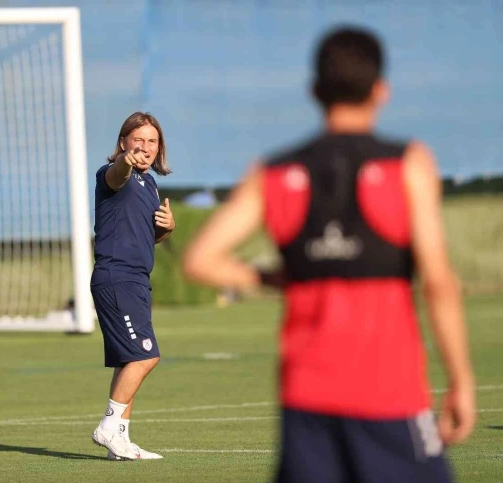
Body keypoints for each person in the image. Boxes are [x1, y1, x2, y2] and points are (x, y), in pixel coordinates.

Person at [182, 26, 476, 482]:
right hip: (389, 394)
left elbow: (199, 259)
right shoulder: (407, 164)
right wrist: (460, 380)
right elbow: (438, 283)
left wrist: (270, 278)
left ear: (314, 91)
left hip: (306, 399)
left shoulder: (272, 172)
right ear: (380, 90)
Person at [90, 111, 175, 460]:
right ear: (124, 142)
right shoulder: (113, 173)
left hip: (137, 278)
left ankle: (120, 440)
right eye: (138, 139)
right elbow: (117, 174)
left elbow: (142, 237)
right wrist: (125, 161)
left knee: (129, 360)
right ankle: (108, 427)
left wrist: (165, 229)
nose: (145, 147)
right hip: (117, 277)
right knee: (146, 355)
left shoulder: (150, 184)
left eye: (152, 141)